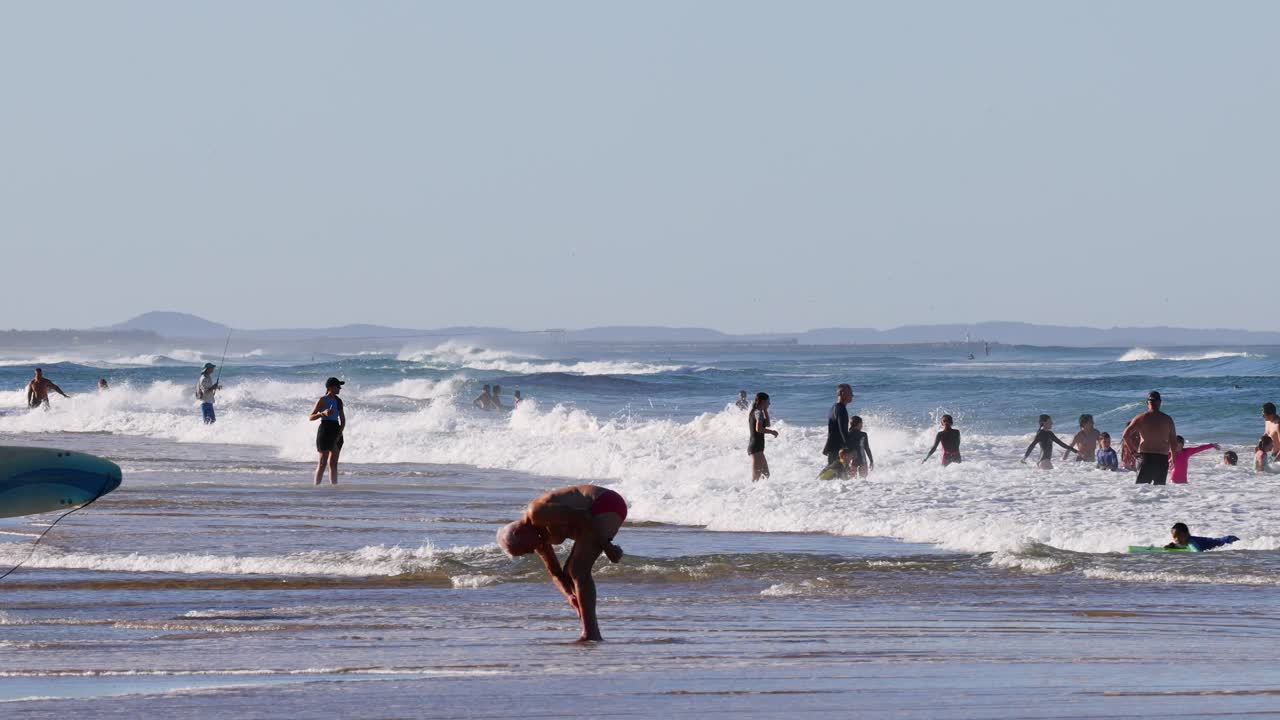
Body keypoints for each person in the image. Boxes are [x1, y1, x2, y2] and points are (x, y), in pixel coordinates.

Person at [495, 485, 627, 642]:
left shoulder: (537, 513)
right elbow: (555, 574)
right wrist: (569, 595)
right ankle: (589, 631)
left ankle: (591, 634)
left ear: (519, 532)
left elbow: (583, 517)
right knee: (569, 573)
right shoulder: (538, 541)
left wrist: (608, 547)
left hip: (604, 503)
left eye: (524, 549)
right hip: (592, 517)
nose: (530, 552)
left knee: (577, 570)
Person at [1121, 391, 1178, 485]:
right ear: (1160, 402)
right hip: (1162, 458)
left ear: (1147, 402)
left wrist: (1133, 452)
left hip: (1145, 458)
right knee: (1159, 492)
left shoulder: (1140, 418)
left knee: (1142, 491)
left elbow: (1125, 435)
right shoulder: (1167, 419)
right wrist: (1173, 457)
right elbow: (1173, 440)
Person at [308, 377, 347, 485]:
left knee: (333, 463)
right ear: (330, 387)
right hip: (325, 429)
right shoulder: (322, 400)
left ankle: (334, 488)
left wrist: (339, 433)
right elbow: (310, 417)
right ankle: (316, 488)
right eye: (337, 386)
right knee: (322, 463)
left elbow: (343, 420)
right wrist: (322, 413)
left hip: (336, 429)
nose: (340, 388)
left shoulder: (339, 401)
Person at [748, 392, 778, 482]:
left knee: (766, 475)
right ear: (764, 401)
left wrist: (765, 410)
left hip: (758, 447)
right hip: (756, 447)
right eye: (768, 401)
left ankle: (760, 494)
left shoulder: (758, 411)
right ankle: (748, 494)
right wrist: (772, 432)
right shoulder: (757, 412)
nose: (769, 403)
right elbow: (759, 429)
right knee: (755, 479)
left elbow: (767, 424)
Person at [822, 384, 853, 469]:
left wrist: (827, 445)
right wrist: (849, 449)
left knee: (832, 476)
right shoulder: (841, 409)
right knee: (837, 476)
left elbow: (832, 431)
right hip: (838, 449)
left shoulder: (833, 407)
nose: (852, 395)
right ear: (842, 393)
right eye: (850, 393)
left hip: (833, 448)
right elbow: (843, 431)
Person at [1164, 523, 1239, 552]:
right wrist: (1174, 546)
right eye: (1174, 537)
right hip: (1228, 539)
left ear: (1186, 534)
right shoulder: (1188, 541)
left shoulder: (1191, 542)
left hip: (1228, 541)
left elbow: (1197, 553)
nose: (1176, 539)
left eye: (1179, 536)